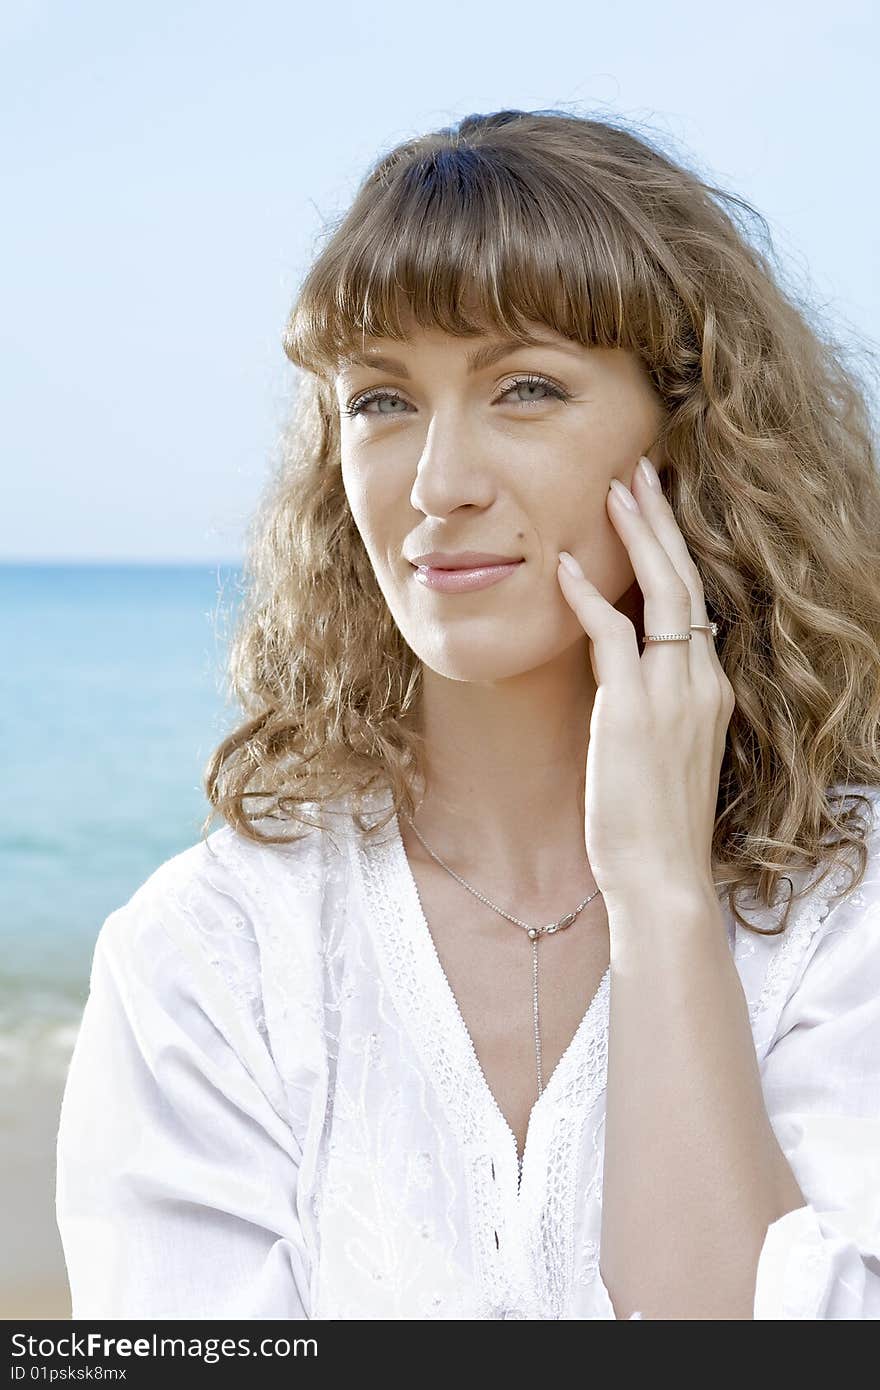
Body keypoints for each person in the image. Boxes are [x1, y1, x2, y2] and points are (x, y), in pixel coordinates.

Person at [55, 108, 880, 1320]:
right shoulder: (213, 956)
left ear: (690, 433)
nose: (437, 485)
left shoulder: (847, 914)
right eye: (381, 401)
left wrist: (660, 899)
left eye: (525, 388)